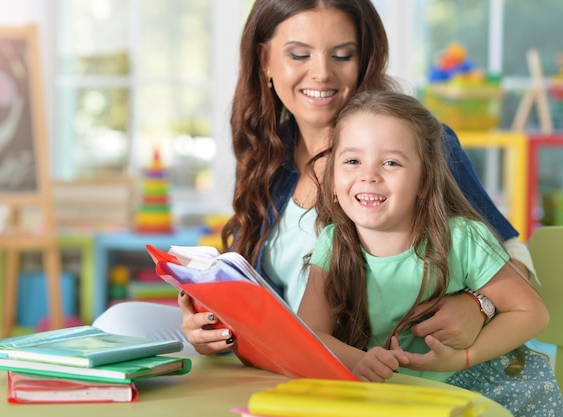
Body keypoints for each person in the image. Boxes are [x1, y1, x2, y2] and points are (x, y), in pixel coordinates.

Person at [93, 0, 534, 356]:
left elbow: (515, 264)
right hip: (276, 345)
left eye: (342, 55)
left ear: (364, 61)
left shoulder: (416, 144)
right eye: (299, 54)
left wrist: (478, 304)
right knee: (119, 322)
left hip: (367, 357)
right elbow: (253, 285)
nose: (321, 73)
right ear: (265, 60)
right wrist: (206, 323)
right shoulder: (269, 151)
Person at [297, 90, 562, 417]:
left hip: (471, 387)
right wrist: (358, 361)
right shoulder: (333, 242)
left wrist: (464, 357)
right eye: (352, 161)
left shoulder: (462, 238)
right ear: (333, 176)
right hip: (393, 396)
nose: (369, 175)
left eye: (391, 162)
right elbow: (308, 334)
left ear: (424, 180)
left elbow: (531, 312)